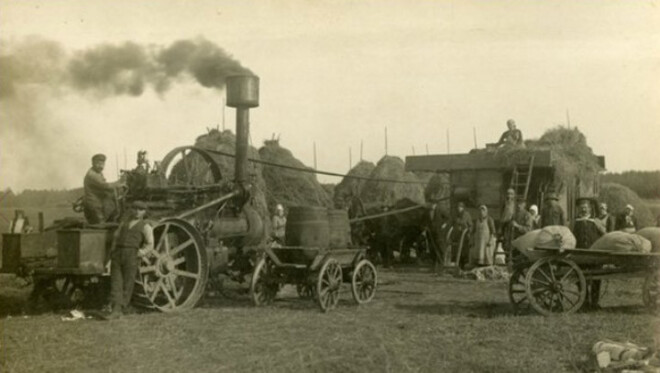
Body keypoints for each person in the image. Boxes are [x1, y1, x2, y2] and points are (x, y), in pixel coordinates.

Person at [108, 201, 153, 318]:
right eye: (136, 209)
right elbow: (116, 238)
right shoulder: (124, 223)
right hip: (118, 254)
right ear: (132, 210)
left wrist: (141, 252)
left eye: (141, 209)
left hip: (132, 255)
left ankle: (122, 308)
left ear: (144, 212)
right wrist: (112, 252)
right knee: (116, 282)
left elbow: (150, 244)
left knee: (128, 283)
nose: (138, 212)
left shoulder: (146, 226)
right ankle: (116, 309)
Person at [572, 199, 605, 310]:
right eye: (581, 207)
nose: (584, 209)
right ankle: (584, 302)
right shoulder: (574, 222)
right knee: (581, 279)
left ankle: (594, 303)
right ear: (578, 209)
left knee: (596, 277)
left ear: (590, 208)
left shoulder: (595, 221)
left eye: (586, 207)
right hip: (579, 255)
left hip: (594, 255)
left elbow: (605, 235)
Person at [83, 153, 124, 224]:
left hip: (99, 204)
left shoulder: (98, 173)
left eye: (102, 164)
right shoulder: (92, 175)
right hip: (94, 206)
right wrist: (119, 183)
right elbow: (105, 186)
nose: (101, 166)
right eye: (98, 164)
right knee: (100, 226)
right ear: (93, 163)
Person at [450, 202, 472, 267]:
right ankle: (457, 265)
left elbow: (470, 225)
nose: (459, 208)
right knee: (456, 251)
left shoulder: (467, 215)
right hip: (457, 236)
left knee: (464, 251)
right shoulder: (456, 215)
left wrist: (468, 232)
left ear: (463, 208)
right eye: (458, 207)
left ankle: (463, 265)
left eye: (460, 207)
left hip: (464, 236)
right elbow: (453, 224)